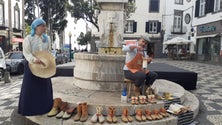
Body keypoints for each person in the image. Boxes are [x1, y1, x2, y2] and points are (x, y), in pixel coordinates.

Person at [18, 18, 54, 116]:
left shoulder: (47, 39)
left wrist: (49, 60)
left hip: (44, 66)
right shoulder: (28, 38)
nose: (44, 28)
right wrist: (34, 60)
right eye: (43, 25)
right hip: (31, 65)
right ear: (36, 27)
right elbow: (26, 53)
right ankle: (29, 109)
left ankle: (45, 108)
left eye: (45, 25)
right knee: (30, 88)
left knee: (44, 87)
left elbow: (49, 52)